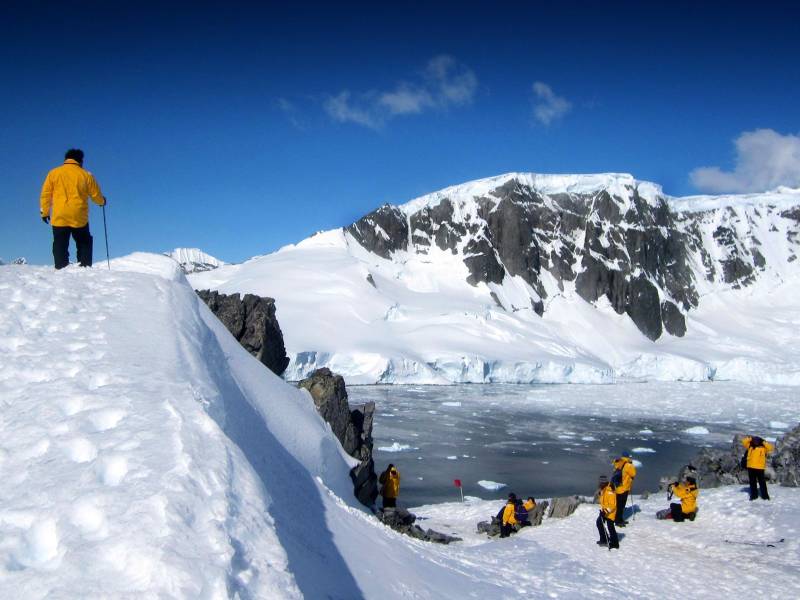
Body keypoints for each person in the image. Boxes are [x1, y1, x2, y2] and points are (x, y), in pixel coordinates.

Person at [40, 148, 106, 269]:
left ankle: (61, 267)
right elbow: (95, 195)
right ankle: (84, 267)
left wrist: (44, 212)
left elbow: (46, 194)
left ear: (66, 159)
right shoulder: (86, 175)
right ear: (80, 160)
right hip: (79, 216)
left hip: (60, 215)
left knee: (60, 243)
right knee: (84, 242)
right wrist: (102, 202)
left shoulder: (54, 173)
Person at [742, 435, 774, 501]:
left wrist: (763, 442)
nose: (755, 442)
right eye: (754, 441)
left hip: (760, 468)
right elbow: (744, 442)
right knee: (752, 482)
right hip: (751, 467)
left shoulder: (763, 448)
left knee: (762, 483)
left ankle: (765, 496)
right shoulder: (750, 446)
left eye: (757, 441)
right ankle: (754, 496)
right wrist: (750, 438)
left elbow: (771, 448)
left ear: (759, 442)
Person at [611, 450, 637, 527]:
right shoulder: (629, 465)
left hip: (618, 487)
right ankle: (618, 521)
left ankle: (619, 519)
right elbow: (633, 473)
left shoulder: (618, 463)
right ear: (628, 456)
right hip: (624, 488)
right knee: (621, 505)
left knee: (618, 505)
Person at [596, 475, 619, 549]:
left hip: (610, 513)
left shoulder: (610, 491)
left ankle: (615, 543)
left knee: (610, 527)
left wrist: (604, 512)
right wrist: (600, 495)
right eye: (600, 482)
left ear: (604, 482)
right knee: (599, 522)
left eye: (601, 483)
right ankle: (604, 539)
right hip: (605, 511)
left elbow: (612, 505)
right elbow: (604, 501)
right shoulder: (604, 489)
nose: (599, 484)